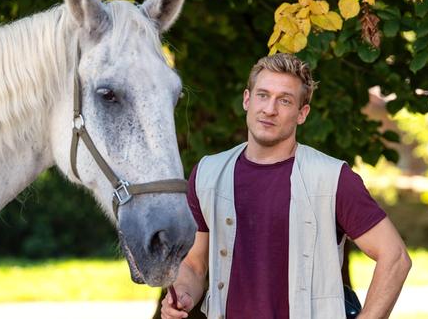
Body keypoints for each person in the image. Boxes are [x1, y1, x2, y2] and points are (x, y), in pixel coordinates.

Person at [161, 53, 411, 319]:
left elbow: (395, 258)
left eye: (285, 100)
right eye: (263, 95)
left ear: (302, 114)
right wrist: (184, 292)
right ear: (247, 99)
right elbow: (194, 263)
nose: (270, 109)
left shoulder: (332, 178)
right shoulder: (208, 175)